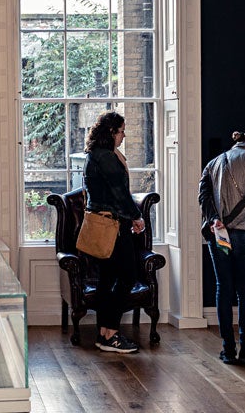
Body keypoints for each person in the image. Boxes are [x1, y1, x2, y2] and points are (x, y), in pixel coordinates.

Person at [198, 131, 245, 365]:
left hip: (217, 233)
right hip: (244, 233)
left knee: (223, 288)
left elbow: (203, 195)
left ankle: (227, 349)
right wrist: (228, 221)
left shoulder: (213, 162)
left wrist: (215, 220)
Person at [83, 111, 146, 354]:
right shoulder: (107, 157)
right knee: (128, 276)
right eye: (121, 131)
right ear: (111, 132)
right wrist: (136, 217)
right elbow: (120, 193)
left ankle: (103, 334)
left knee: (107, 280)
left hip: (100, 224)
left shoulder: (94, 155)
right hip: (113, 226)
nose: (124, 135)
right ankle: (110, 333)